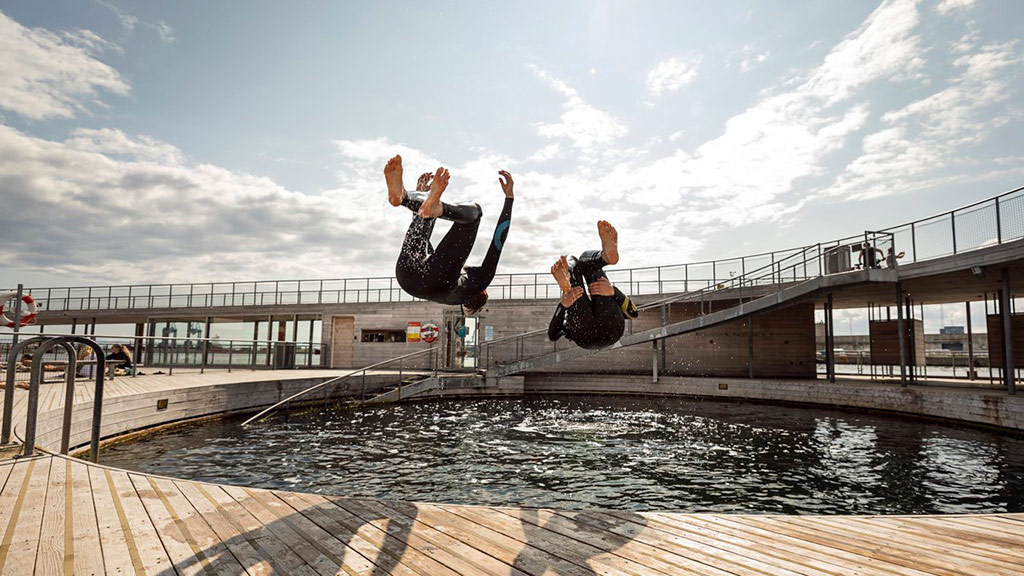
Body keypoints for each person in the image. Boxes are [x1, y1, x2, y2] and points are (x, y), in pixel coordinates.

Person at [385, 154, 514, 315]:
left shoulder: (480, 281)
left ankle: (421, 202)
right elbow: (425, 249)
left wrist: (509, 198)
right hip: (407, 280)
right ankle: (405, 197)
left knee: (475, 214)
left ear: (483, 293)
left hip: (434, 279)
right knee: (427, 213)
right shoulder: (450, 294)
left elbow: (498, 241)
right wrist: (422, 205)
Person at [547, 221, 639, 350]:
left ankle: (569, 277)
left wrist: (563, 306)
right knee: (590, 267)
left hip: (584, 333)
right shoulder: (603, 296)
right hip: (612, 329)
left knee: (574, 278)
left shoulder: (572, 309)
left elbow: (553, 335)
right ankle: (604, 258)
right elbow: (633, 314)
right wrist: (613, 291)